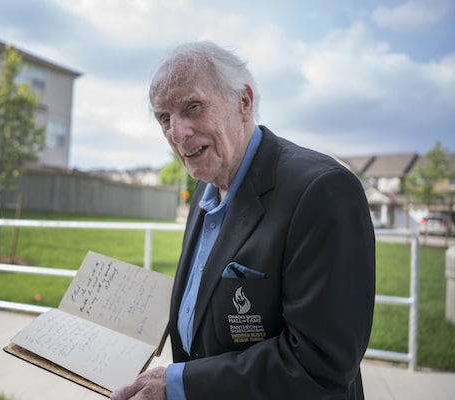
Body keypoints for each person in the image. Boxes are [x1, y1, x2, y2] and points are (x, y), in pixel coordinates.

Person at [111, 41, 375, 400]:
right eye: (164, 118)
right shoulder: (206, 188)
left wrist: (180, 385)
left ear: (244, 102)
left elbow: (321, 364)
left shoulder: (322, 190)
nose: (177, 132)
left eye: (192, 107)